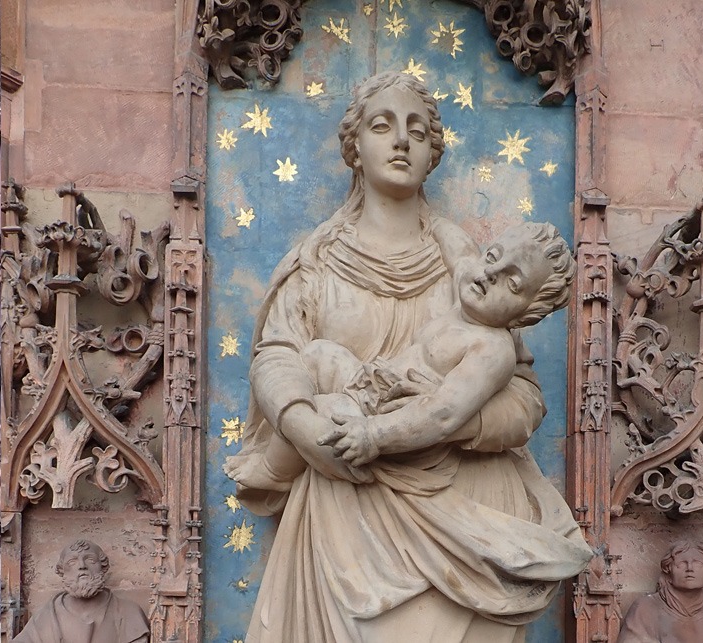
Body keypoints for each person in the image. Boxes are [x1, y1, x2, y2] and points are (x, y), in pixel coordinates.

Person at [223, 73, 592, 642]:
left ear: (433, 153)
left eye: (417, 132)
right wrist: (301, 429)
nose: (401, 142)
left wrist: (446, 424)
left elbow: (523, 399)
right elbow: (278, 355)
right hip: (344, 500)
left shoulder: (472, 272)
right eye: (382, 126)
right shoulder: (316, 261)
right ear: (355, 146)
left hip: (457, 508)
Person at [309, 221, 575, 467]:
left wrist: (373, 435)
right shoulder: (466, 296)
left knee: (324, 412)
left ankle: (275, 472)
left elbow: (444, 414)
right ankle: (274, 469)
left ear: (524, 315)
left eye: (513, 283)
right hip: (375, 383)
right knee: (319, 353)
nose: (491, 272)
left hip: (391, 418)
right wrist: (431, 222)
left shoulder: (492, 349)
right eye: (492, 256)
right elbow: (461, 252)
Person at [11, 540, 149, 643]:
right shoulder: (46, 617)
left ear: (103, 567)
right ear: (61, 571)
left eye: (90, 560)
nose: (82, 566)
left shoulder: (129, 613)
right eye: (72, 562)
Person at [619, 541, 703, 643]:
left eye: (697, 563)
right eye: (682, 563)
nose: (690, 568)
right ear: (668, 569)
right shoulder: (644, 610)